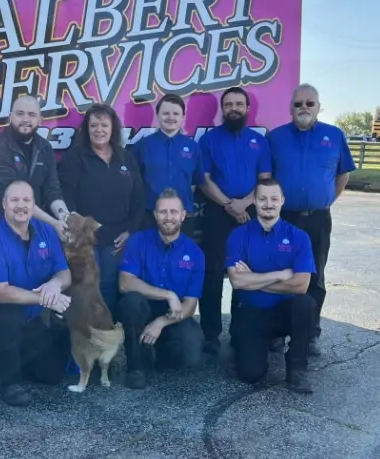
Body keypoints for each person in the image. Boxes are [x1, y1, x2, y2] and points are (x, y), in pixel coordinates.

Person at [0, 94, 71, 379]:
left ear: (40, 119)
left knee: (32, 275)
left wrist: (65, 218)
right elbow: (12, 195)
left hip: (25, 220)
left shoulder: (44, 148)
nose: (25, 120)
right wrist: (55, 225)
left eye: (31, 115)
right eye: (20, 114)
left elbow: (53, 189)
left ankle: (25, 347)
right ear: (11, 117)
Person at [0, 180, 73, 407]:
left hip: (29, 309)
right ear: (4, 204)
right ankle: (9, 383)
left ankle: (3, 356)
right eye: (14, 200)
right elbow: (1, 294)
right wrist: (46, 298)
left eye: (26, 200)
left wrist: (54, 285)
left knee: (51, 375)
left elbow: (64, 272)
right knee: (8, 317)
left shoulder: (46, 231)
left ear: (34, 205)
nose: (20, 205)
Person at [266, 83, 356, 356]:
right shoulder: (276, 137)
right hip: (284, 219)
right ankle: (277, 333)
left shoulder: (334, 135)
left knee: (314, 275)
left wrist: (327, 200)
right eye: (298, 104)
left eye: (309, 103)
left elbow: (343, 175)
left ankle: (309, 334)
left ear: (319, 107)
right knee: (279, 273)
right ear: (290, 108)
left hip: (317, 219)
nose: (303, 108)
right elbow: (266, 177)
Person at [196, 87, 272, 354]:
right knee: (213, 274)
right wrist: (229, 204)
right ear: (222, 109)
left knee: (246, 272)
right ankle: (210, 333)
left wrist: (245, 203)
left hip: (251, 213)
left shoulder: (259, 141)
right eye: (228, 104)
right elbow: (204, 180)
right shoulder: (208, 140)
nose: (234, 108)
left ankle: (242, 330)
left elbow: (264, 179)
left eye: (239, 103)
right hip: (218, 212)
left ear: (247, 107)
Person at [225, 178, 316, 393]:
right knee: (250, 375)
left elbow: (300, 285)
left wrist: (254, 281)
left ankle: (297, 369)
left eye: (274, 198)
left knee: (306, 304)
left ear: (282, 201)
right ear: (254, 202)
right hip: (251, 312)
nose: (268, 203)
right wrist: (280, 275)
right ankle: (258, 343)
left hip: (284, 311)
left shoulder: (299, 238)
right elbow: (236, 280)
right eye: (263, 198)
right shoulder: (238, 236)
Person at [58, 103, 145, 316]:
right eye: (94, 125)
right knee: (85, 290)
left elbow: (139, 198)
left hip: (116, 239)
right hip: (85, 239)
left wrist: (129, 231)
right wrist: (79, 231)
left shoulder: (126, 158)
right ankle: (84, 343)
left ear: (113, 128)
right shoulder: (75, 157)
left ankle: (108, 341)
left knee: (108, 288)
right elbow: (66, 198)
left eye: (104, 125)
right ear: (86, 129)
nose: (99, 130)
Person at [116, 188, 205, 389]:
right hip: (142, 308)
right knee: (131, 303)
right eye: (163, 212)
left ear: (183, 216)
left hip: (171, 315)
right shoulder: (138, 241)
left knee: (190, 356)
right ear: (155, 215)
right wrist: (168, 294)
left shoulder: (195, 253)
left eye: (174, 212)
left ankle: (162, 352)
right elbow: (124, 283)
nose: (168, 217)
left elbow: (190, 305)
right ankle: (136, 366)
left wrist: (161, 322)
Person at [130, 95, 204, 235]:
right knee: (150, 256)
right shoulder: (142, 147)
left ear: (183, 116)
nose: (171, 117)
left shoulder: (193, 147)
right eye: (166, 113)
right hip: (149, 216)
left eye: (175, 113)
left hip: (182, 217)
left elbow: (195, 182)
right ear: (157, 115)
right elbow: (133, 183)